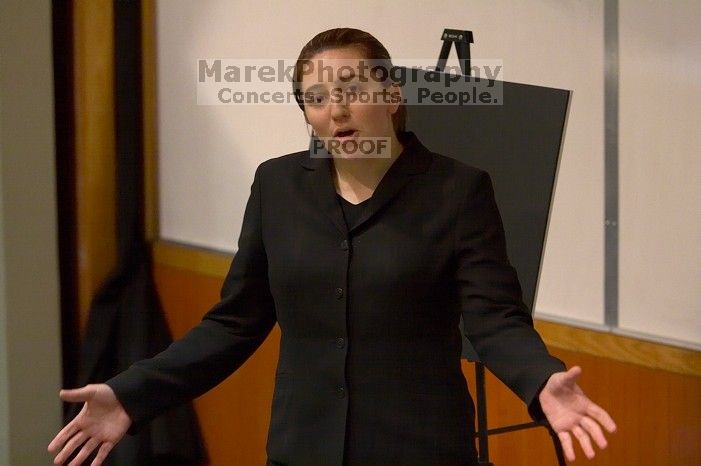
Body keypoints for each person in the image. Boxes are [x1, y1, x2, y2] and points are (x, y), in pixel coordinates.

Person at [49, 28, 616, 466]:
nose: (335, 110)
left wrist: (540, 380)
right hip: (303, 449)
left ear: (391, 94)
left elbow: (494, 319)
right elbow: (234, 322)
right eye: (316, 98)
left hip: (419, 451)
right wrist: (132, 394)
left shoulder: (457, 190)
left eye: (351, 91)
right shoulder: (277, 185)